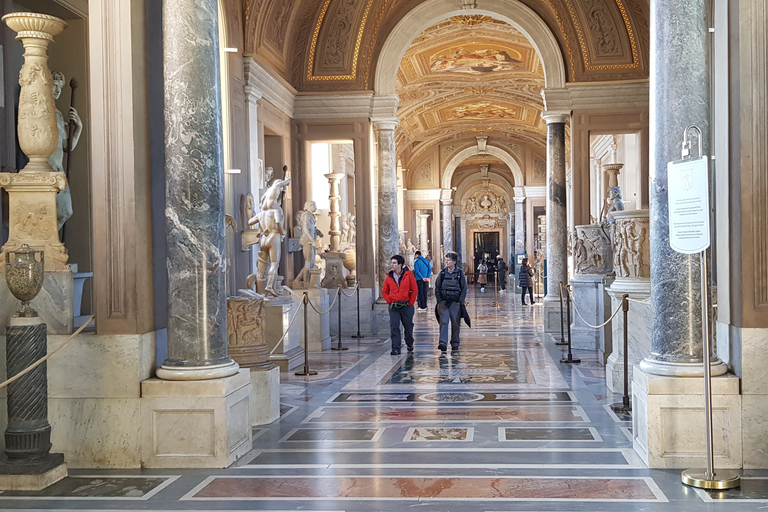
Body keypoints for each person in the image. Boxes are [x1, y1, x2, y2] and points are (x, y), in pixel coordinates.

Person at [50, 71, 83, 230]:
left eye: (60, 87)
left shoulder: (58, 115)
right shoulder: (41, 112)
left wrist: (78, 128)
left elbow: (66, 146)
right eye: (54, 86)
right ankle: (49, 244)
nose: (57, 90)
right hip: (46, 169)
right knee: (47, 213)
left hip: (58, 169)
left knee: (65, 212)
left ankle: (51, 244)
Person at [382, 254, 417, 355]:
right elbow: (384, 291)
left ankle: (409, 343)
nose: (392, 265)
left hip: (406, 305)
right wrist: (389, 300)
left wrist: (410, 302)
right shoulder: (389, 277)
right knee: (394, 327)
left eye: (394, 263)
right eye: (391, 263)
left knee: (408, 326)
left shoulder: (408, 275)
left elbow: (414, 289)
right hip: (394, 306)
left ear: (400, 265)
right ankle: (396, 348)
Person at [435, 251, 468, 353]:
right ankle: (442, 343)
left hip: (455, 302)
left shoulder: (459, 274)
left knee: (455, 323)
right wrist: (439, 300)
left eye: (449, 260)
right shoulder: (443, 273)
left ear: (454, 262)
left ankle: (455, 343)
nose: (447, 262)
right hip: (444, 302)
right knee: (444, 322)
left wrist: (460, 301)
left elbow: (464, 288)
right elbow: (437, 287)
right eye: (446, 260)